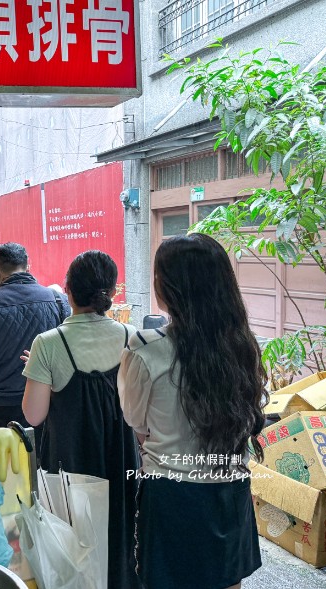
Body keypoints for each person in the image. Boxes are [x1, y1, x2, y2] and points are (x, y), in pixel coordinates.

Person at [118, 234, 264, 589]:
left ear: (167, 287)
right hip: (229, 488)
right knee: (227, 582)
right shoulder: (242, 343)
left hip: (171, 495)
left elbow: (137, 425)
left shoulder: (144, 348)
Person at [22, 251, 140, 589]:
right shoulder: (131, 336)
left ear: (68, 291)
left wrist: (37, 373)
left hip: (70, 465)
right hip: (122, 461)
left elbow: (33, 414)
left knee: (74, 549)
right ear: (111, 293)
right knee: (120, 535)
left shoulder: (47, 344)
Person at [0, 243, 70, 446]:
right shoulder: (57, 300)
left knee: (4, 471)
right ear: (27, 265)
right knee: (45, 470)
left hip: (2, 405)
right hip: (48, 401)